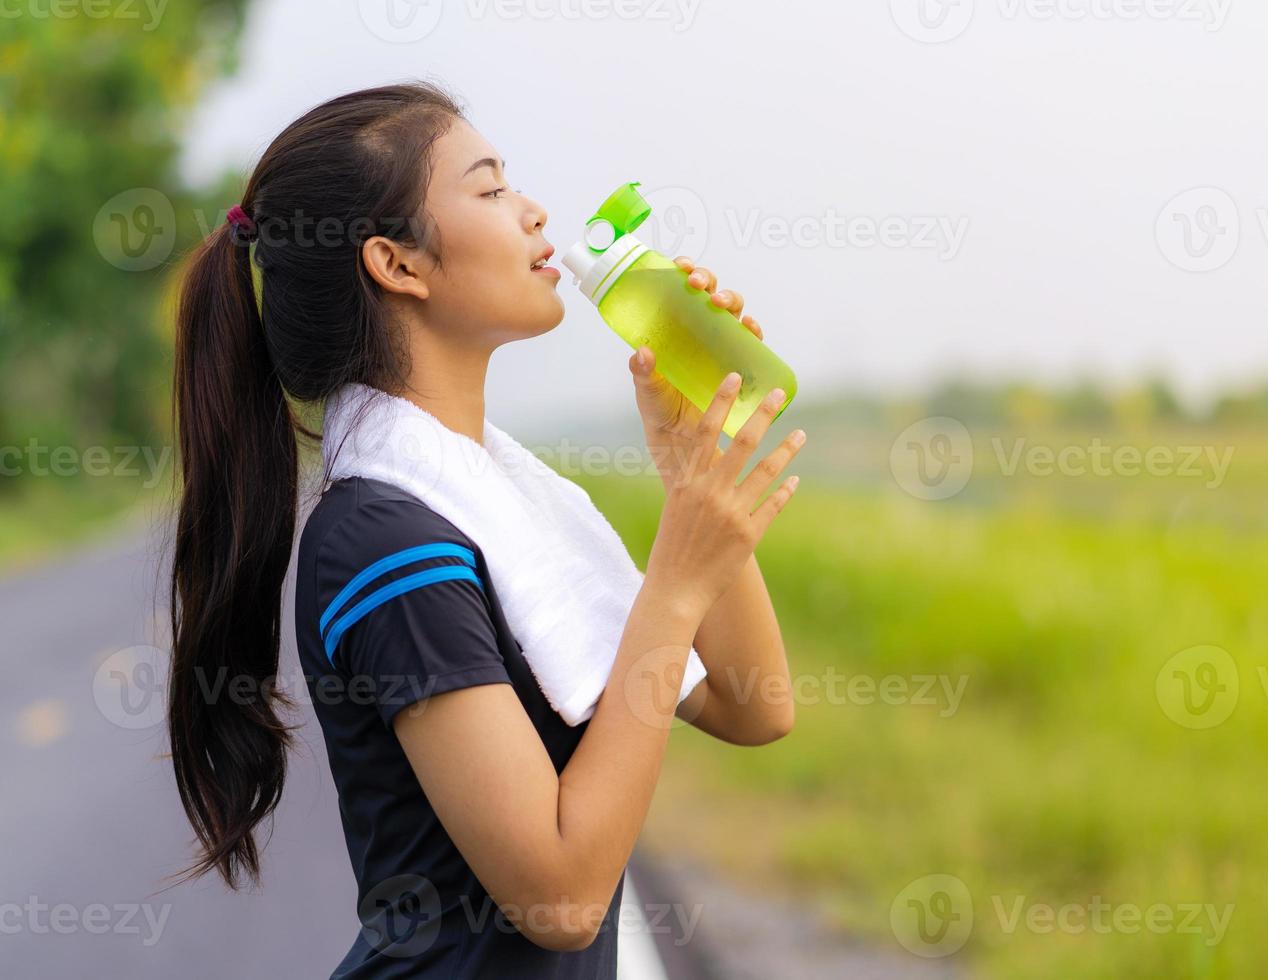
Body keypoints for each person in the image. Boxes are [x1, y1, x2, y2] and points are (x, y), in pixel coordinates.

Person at [165, 80, 804, 977]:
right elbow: (561, 899)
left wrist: (686, 458)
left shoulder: (504, 502)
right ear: (400, 264)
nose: (536, 211)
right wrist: (675, 584)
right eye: (492, 188)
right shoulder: (387, 543)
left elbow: (754, 704)